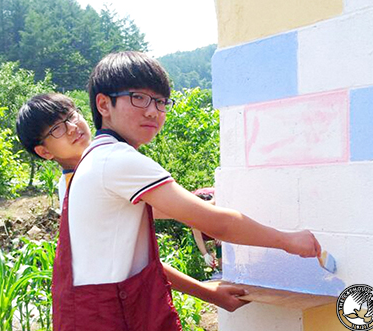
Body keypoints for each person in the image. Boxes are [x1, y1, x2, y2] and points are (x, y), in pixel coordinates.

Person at [58, 51, 321, 330]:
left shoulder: (94, 160)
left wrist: (209, 293)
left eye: (161, 102)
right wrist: (288, 240)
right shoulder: (118, 159)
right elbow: (217, 224)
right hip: (112, 317)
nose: (153, 111)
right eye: (139, 98)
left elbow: (139, 266)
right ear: (103, 104)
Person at [15, 93, 252, 316]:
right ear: (44, 151)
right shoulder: (84, 181)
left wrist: (205, 205)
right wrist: (207, 292)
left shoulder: (86, 174)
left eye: (71, 116)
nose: (72, 128)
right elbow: (136, 265)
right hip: (109, 313)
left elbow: (165, 208)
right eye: (57, 128)